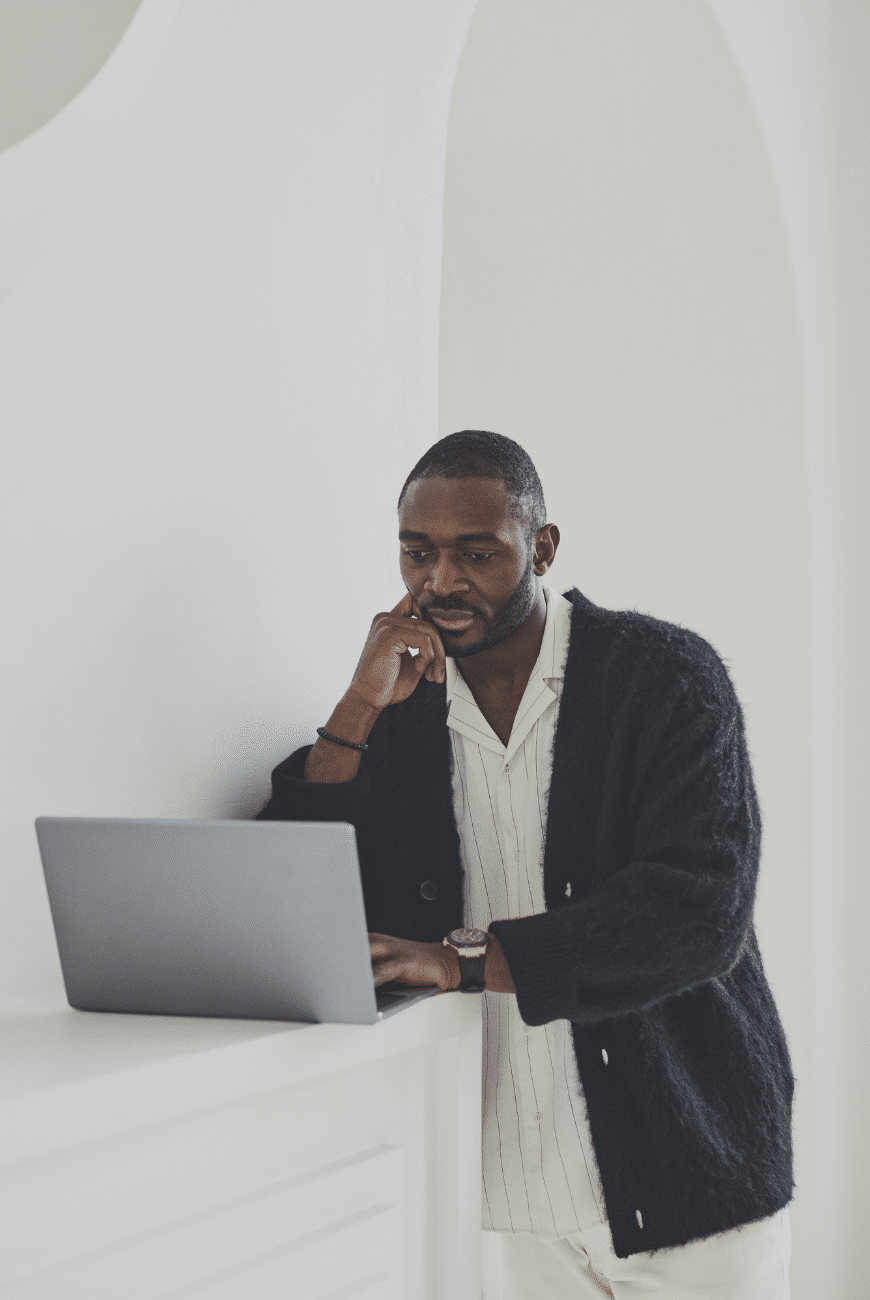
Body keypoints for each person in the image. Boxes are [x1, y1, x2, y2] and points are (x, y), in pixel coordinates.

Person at [257, 430, 794, 1298]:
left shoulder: (664, 679)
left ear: (542, 546)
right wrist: (356, 707)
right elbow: (288, 887)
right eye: (416, 552)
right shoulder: (400, 711)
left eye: (478, 552)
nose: (440, 581)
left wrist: (465, 962)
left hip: (689, 1178)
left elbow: (699, 913)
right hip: (507, 1199)